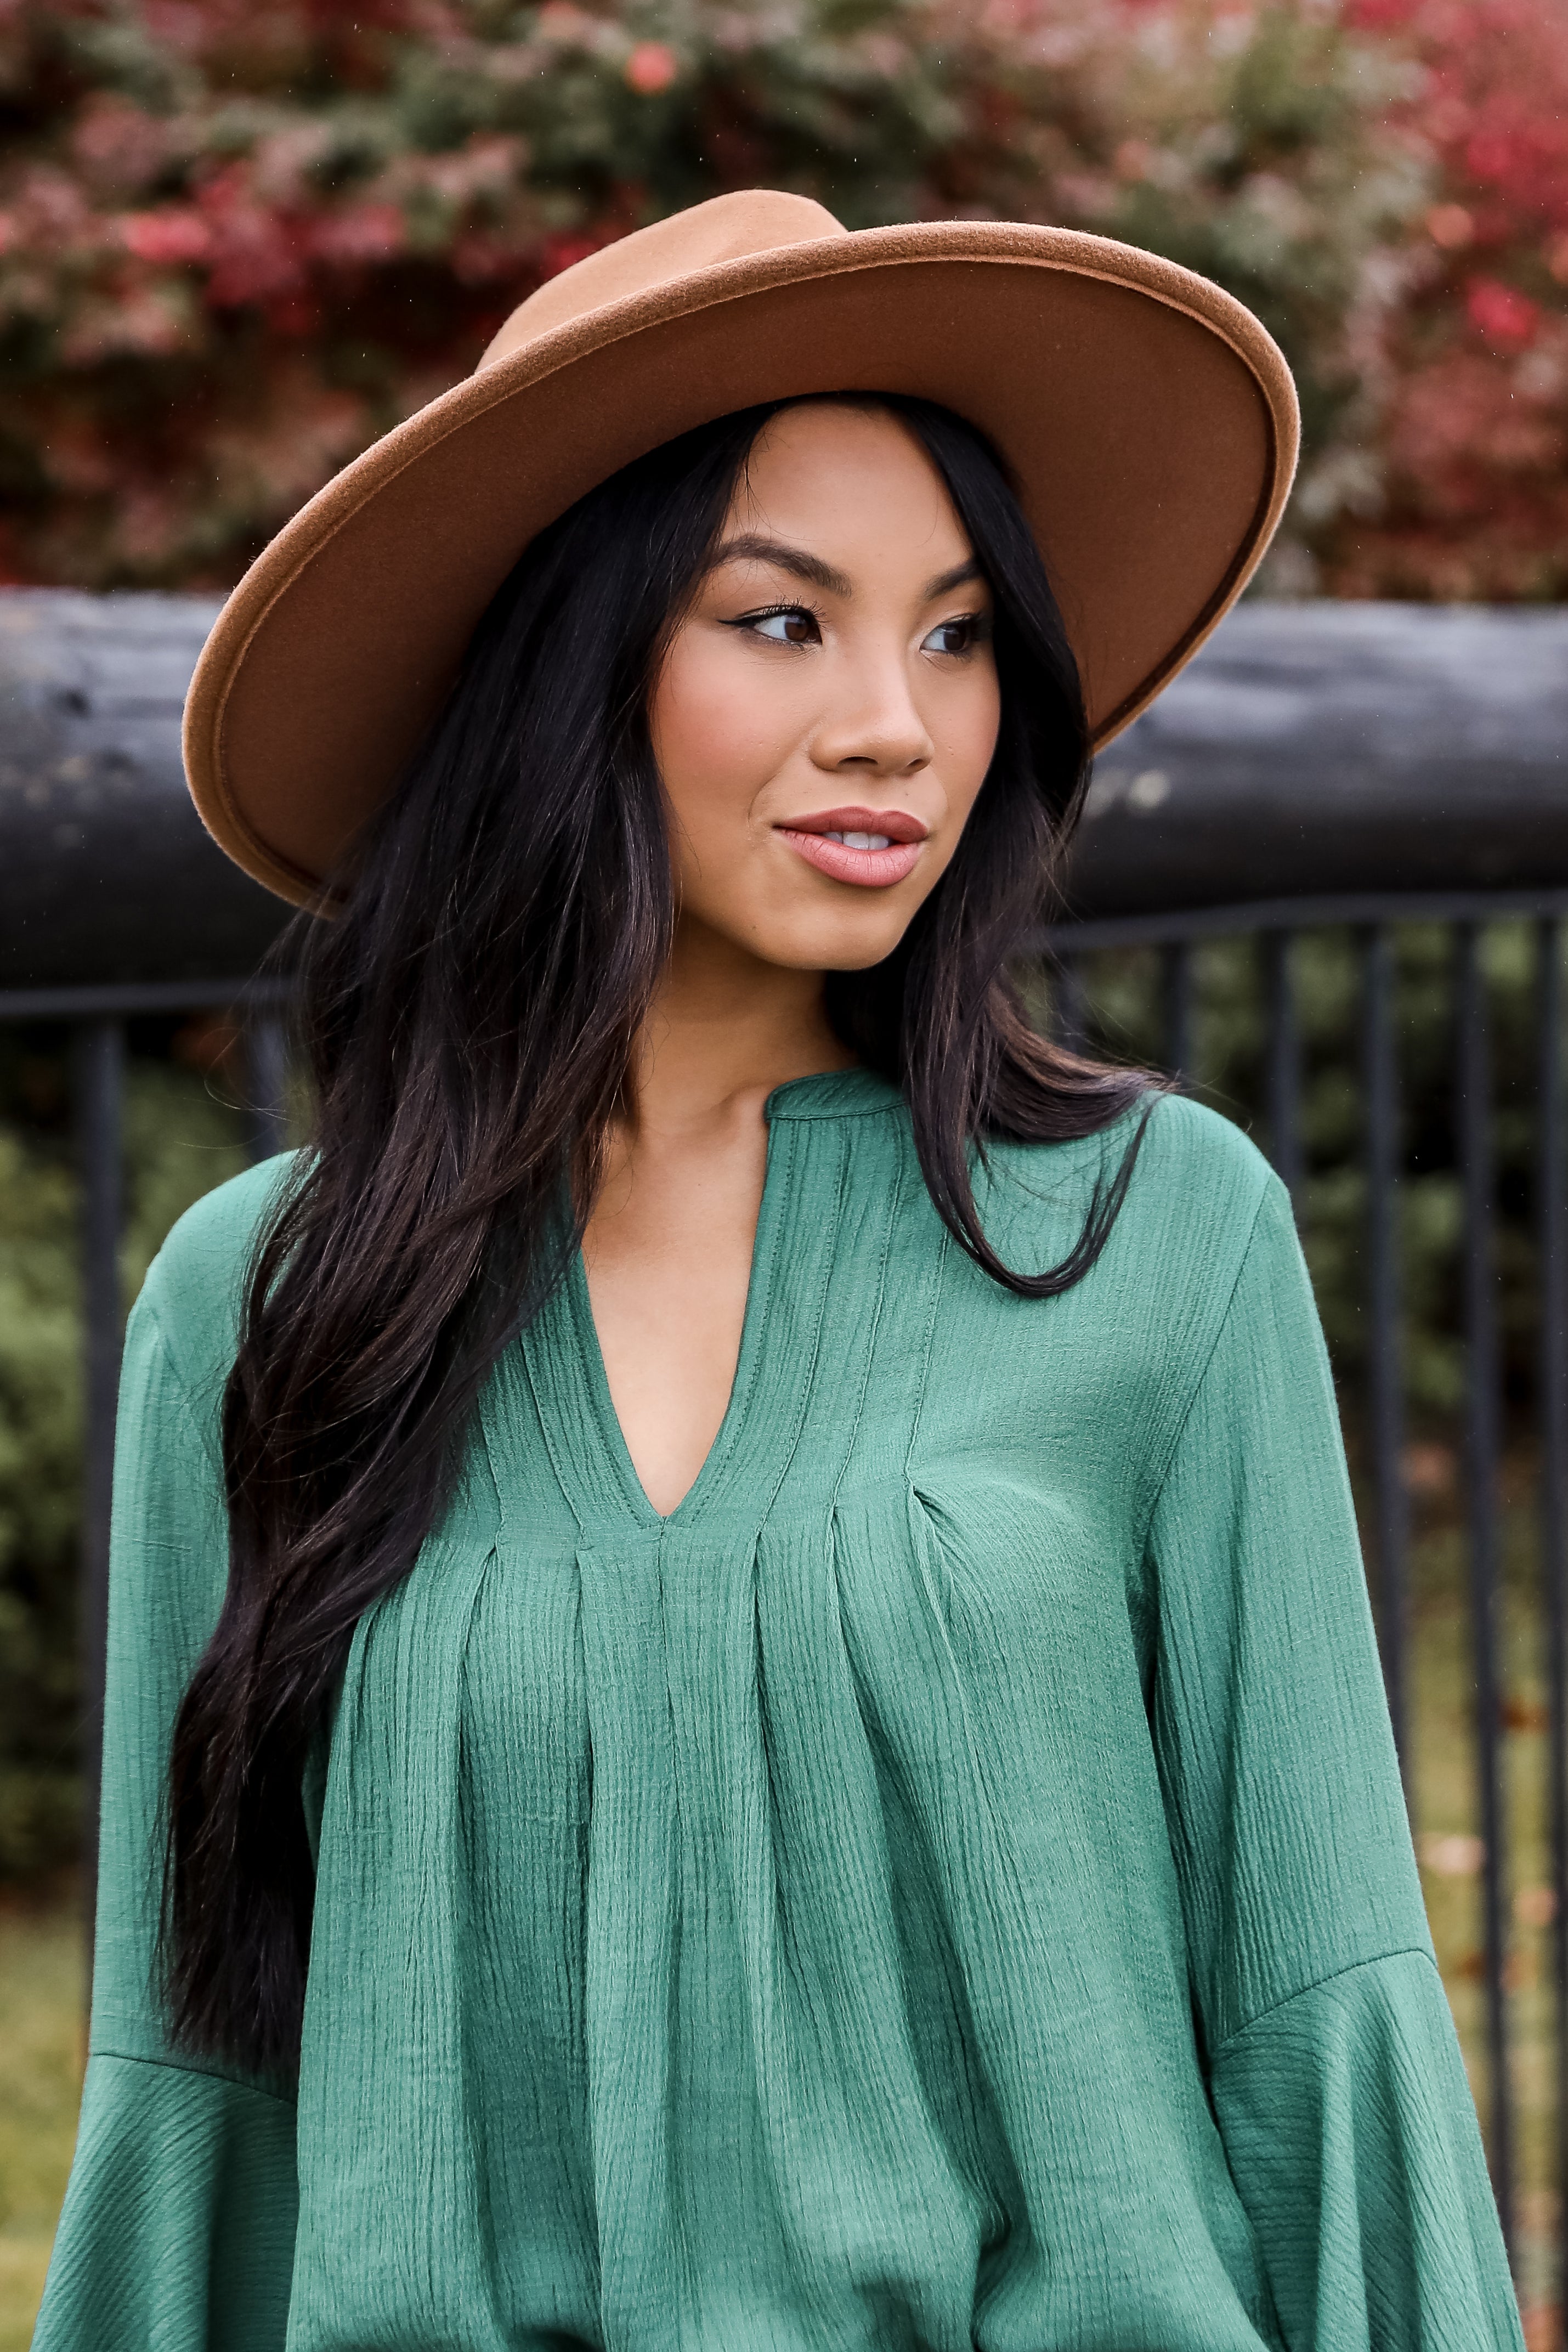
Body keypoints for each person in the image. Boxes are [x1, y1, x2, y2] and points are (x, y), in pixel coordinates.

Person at [35, 192, 1519, 2351]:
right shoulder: (269, 1307)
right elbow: (202, 2105)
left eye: (953, 632)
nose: (897, 728)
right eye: (779, 621)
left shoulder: (1149, 1235)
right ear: (566, 669)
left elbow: (1322, 2010)